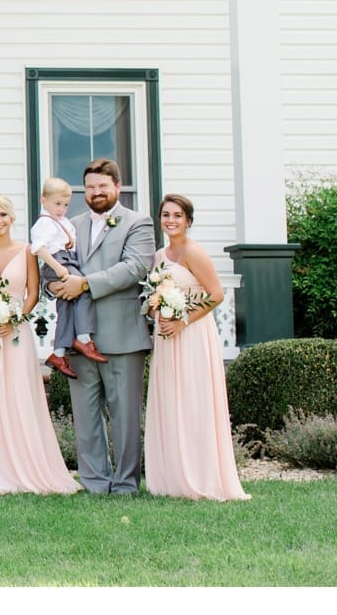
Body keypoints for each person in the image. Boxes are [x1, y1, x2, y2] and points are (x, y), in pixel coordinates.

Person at [47, 159, 155, 495]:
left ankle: (125, 483)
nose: (96, 192)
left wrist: (84, 284)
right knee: (86, 414)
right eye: (91, 187)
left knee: (124, 416)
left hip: (122, 332)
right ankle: (94, 481)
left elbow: (135, 267)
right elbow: (51, 263)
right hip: (78, 335)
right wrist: (54, 286)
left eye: (103, 186)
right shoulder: (69, 225)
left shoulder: (138, 222)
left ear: (117, 187)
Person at [0, 195, 80, 495]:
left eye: (3, 214)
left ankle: (25, 468)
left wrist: (14, 319)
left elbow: (32, 293)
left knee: (19, 397)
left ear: (12, 217)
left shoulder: (27, 251)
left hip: (15, 336)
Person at [144, 194, 249, 501]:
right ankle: (172, 477)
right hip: (166, 337)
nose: (171, 220)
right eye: (166, 215)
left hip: (192, 335)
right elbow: (155, 293)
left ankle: (202, 476)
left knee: (193, 401)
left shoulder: (194, 252)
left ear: (188, 220)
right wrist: (157, 311)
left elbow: (216, 295)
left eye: (177, 215)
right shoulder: (159, 255)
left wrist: (183, 321)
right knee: (170, 400)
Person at [30, 177, 102, 380]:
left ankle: (59, 353)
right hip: (59, 263)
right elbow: (38, 248)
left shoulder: (62, 222)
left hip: (68, 260)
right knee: (84, 288)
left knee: (67, 307)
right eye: (57, 204)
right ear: (44, 200)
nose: (61, 209)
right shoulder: (45, 222)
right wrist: (59, 268)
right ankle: (83, 337)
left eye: (65, 205)